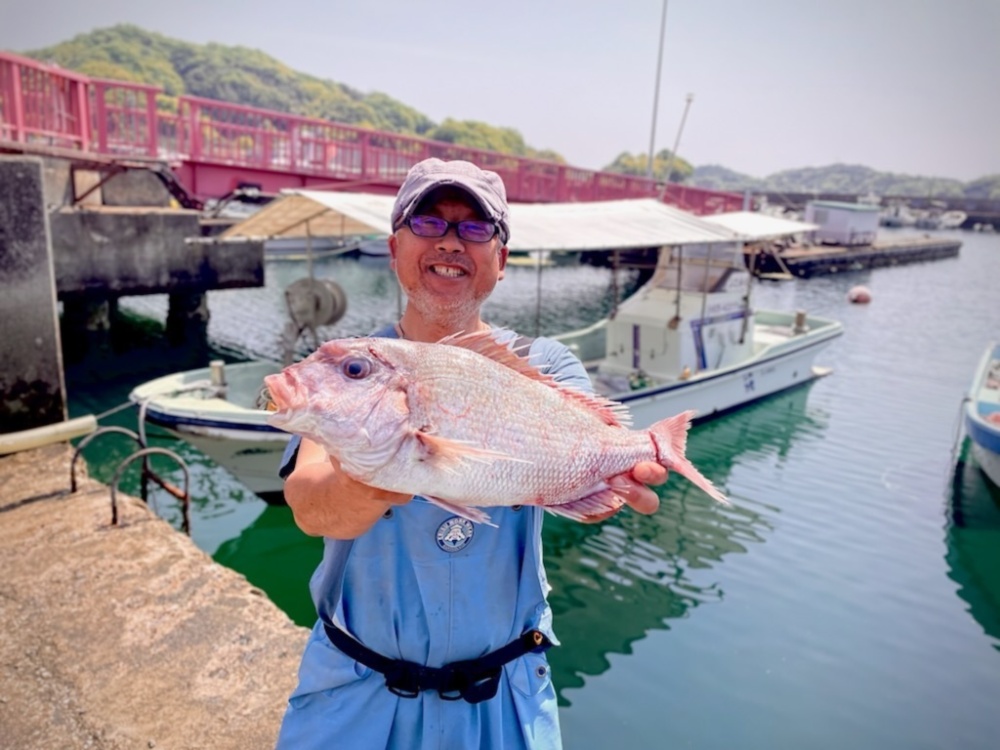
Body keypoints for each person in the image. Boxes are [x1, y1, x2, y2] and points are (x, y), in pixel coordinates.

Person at [274, 158, 666, 749]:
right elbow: (312, 508)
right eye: (429, 223)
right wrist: (390, 457)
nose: (451, 242)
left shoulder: (546, 368)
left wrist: (613, 479)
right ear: (394, 246)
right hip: (356, 689)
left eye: (476, 229)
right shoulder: (353, 366)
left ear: (502, 259)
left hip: (503, 694)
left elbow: (579, 462)